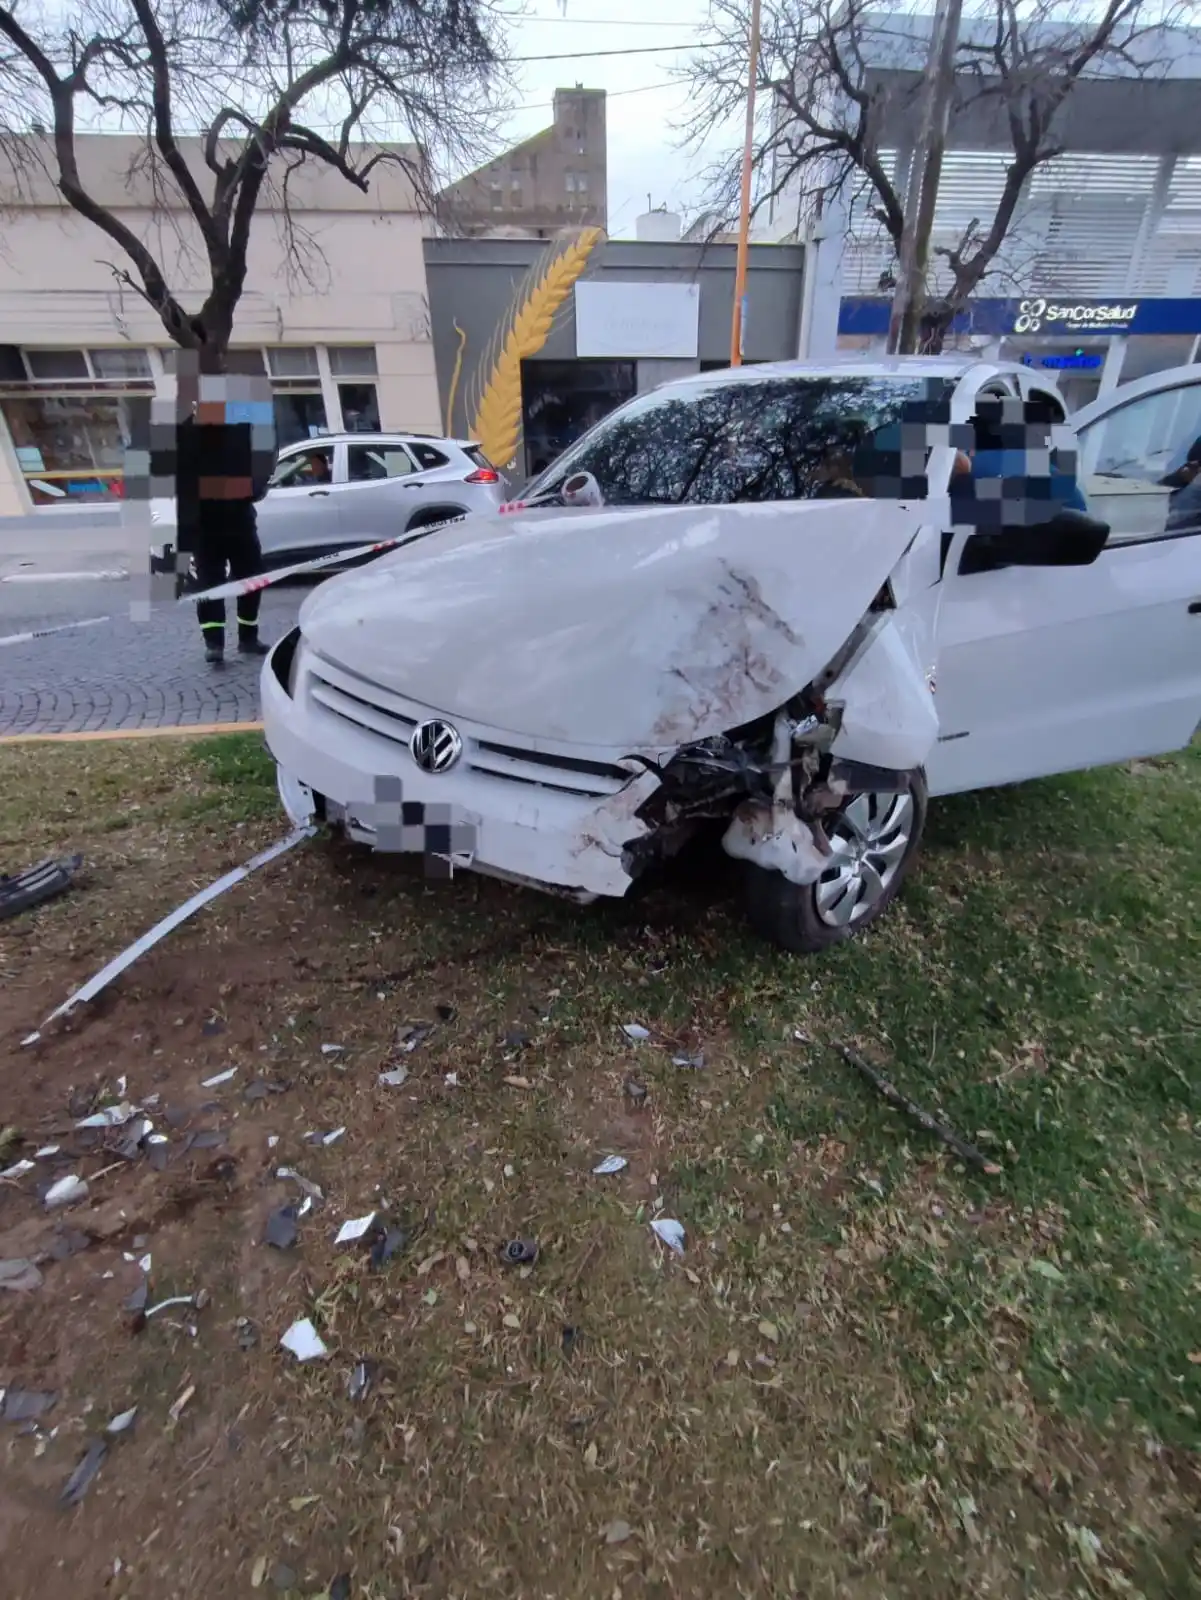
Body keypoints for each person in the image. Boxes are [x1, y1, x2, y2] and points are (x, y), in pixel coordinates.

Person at [174, 357, 276, 667]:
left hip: (238, 516)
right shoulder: (186, 429)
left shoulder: (242, 420)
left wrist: (255, 487)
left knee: (250, 578)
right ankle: (214, 643)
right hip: (205, 522)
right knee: (210, 584)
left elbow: (265, 453)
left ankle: (247, 637)